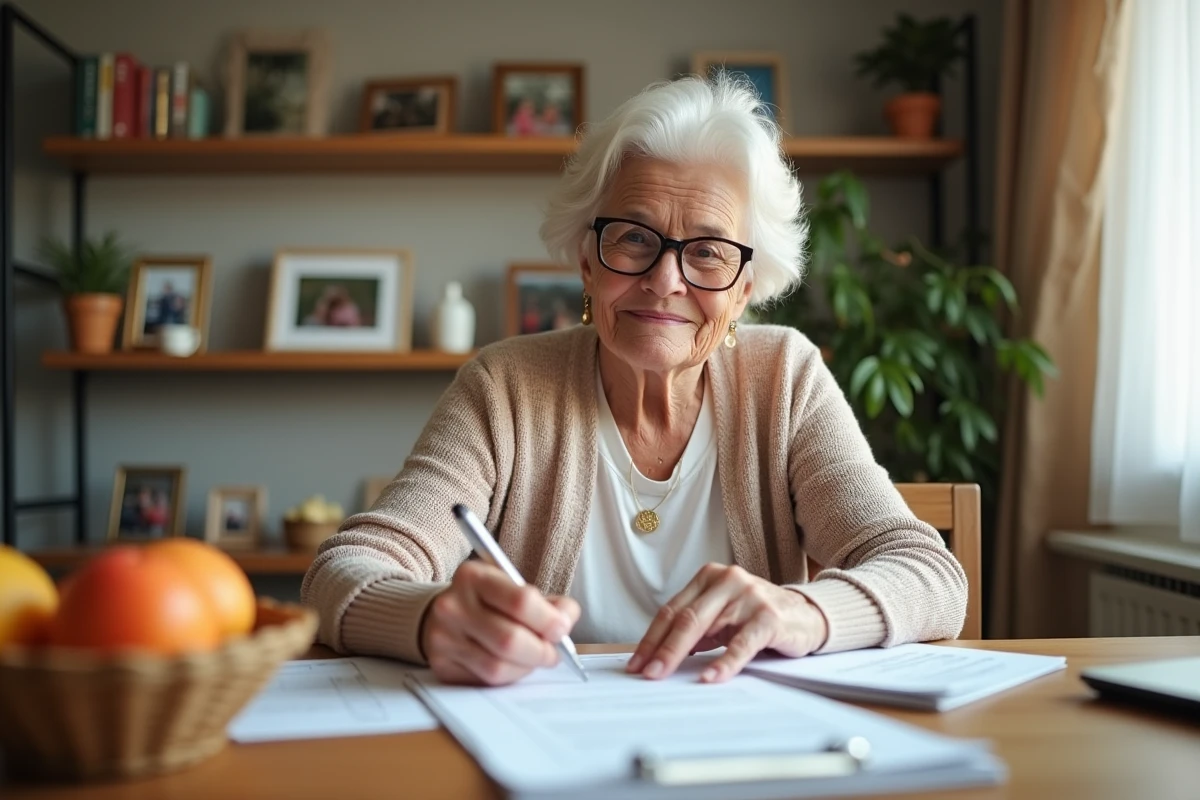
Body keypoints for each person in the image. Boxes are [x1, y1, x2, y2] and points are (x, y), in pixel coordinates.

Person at [302, 74, 967, 687]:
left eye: (707, 250)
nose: (665, 279)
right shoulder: (504, 387)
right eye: (633, 238)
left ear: (744, 289)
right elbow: (342, 570)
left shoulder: (784, 378)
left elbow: (929, 574)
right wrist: (429, 619)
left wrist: (800, 613)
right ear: (588, 261)